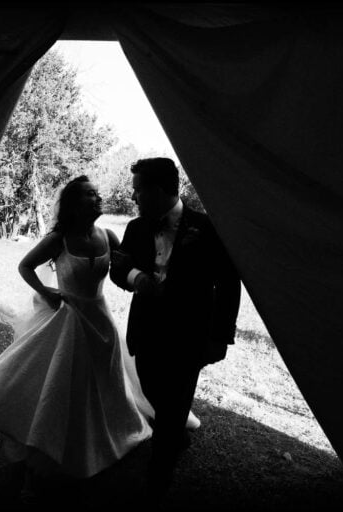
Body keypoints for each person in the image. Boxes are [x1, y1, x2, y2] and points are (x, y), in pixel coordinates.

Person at [0, 176, 154, 503]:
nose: (97, 199)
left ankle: (100, 440)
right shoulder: (60, 238)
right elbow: (25, 266)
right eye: (88, 195)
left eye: (97, 194)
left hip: (102, 320)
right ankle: (45, 459)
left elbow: (120, 272)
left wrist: (133, 272)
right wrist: (47, 291)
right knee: (66, 388)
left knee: (103, 384)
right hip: (70, 321)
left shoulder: (108, 235)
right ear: (73, 204)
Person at [109, 157, 242, 500]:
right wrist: (137, 278)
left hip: (190, 334)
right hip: (147, 332)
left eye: (139, 190)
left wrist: (220, 336)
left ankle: (159, 475)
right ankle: (175, 431)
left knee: (173, 403)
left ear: (157, 190)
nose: (134, 197)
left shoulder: (208, 227)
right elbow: (118, 269)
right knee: (153, 390)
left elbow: (228, 284)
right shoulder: (136, 228)